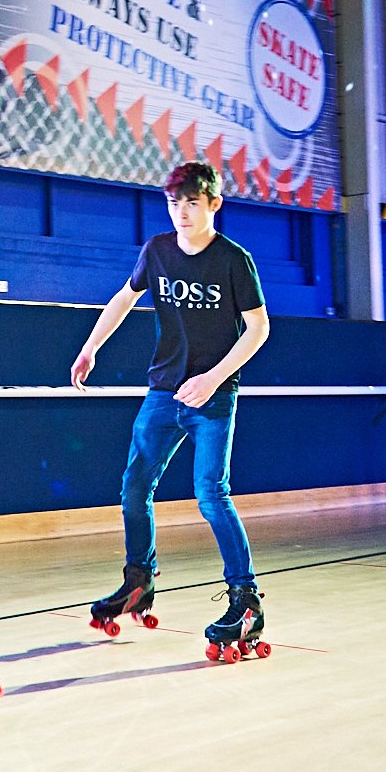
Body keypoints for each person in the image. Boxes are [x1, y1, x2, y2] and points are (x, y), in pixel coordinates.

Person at [69, 162, 271, 662]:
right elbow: (124, 298)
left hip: (212, 396)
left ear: (213, 205)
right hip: (163, 392)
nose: (182, 213)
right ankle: (138, 580)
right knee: (135, 487)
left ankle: (245, 600)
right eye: (174, 204)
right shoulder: (156, 251)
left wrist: (213, 379)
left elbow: (258, 329)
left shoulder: (233, 260)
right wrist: (91, 346)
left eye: (193, 204)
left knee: (211, 493)